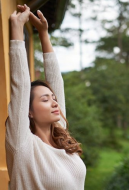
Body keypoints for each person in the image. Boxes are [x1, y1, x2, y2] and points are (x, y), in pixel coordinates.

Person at [5, 4, 86, 190]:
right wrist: (17, 28)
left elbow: (56, 82)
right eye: (44, 99)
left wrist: (43, 34)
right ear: (28, 112)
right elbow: (20, 85)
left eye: (53, 98)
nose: (54, 102)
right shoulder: (22, 145)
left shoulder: (60, 135)